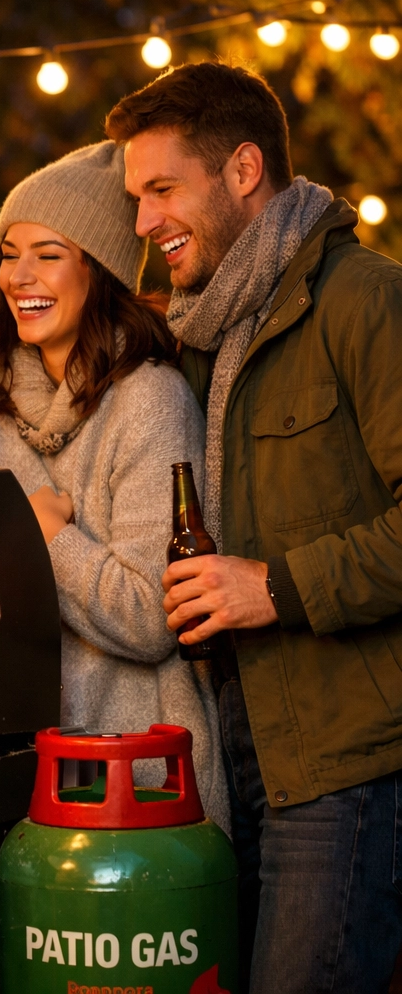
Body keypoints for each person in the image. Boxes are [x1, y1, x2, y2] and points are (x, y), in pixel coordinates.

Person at [109, 60, 402, 993]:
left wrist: (271, 586)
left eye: (163, 190)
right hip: (244, 754)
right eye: (135, 197)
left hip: (352, 758)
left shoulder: (363, 301)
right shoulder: (206, 333)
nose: (145, 221)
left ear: (243, 171)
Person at [0, 141, 229, 832]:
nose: (19, 275)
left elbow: (152, 618)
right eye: (9, 252)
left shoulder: (150, 402)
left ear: (98, 270)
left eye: (49, 253)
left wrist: (44, 537)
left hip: (139, 781)